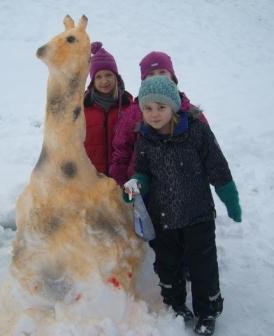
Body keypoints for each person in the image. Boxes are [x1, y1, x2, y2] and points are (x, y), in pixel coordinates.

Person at [122, 76, 242, 335]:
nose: (154, 114)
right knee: (168, 264)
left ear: (174, 106)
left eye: (161, 107)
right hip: (163, 216)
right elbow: (142, 172)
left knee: (203, 266)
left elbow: (217, 167)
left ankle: (207, 311)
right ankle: (174, 304)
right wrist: (135, 184)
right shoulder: (144, 137)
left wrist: (230, 199)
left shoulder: (196, 130)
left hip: (197, 214)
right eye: (148, 108)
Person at [110, 51, 208, 186]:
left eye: (162, 72)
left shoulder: (191, 113)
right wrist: (125, 193)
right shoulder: (132, 115)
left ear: (173, 77)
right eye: (150, 74)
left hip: (187, 194)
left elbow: (211, 156)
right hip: (143, 194)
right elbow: (121, 157)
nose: (157, 77)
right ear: (143, 81)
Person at [83, 41, 133, 176]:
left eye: (108, 75)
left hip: (121, 177)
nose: (104, 81)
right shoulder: (83, 106)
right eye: (98, 76)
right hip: (90, 177)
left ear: (116, 76)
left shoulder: (128, 105)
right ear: (92, 81)